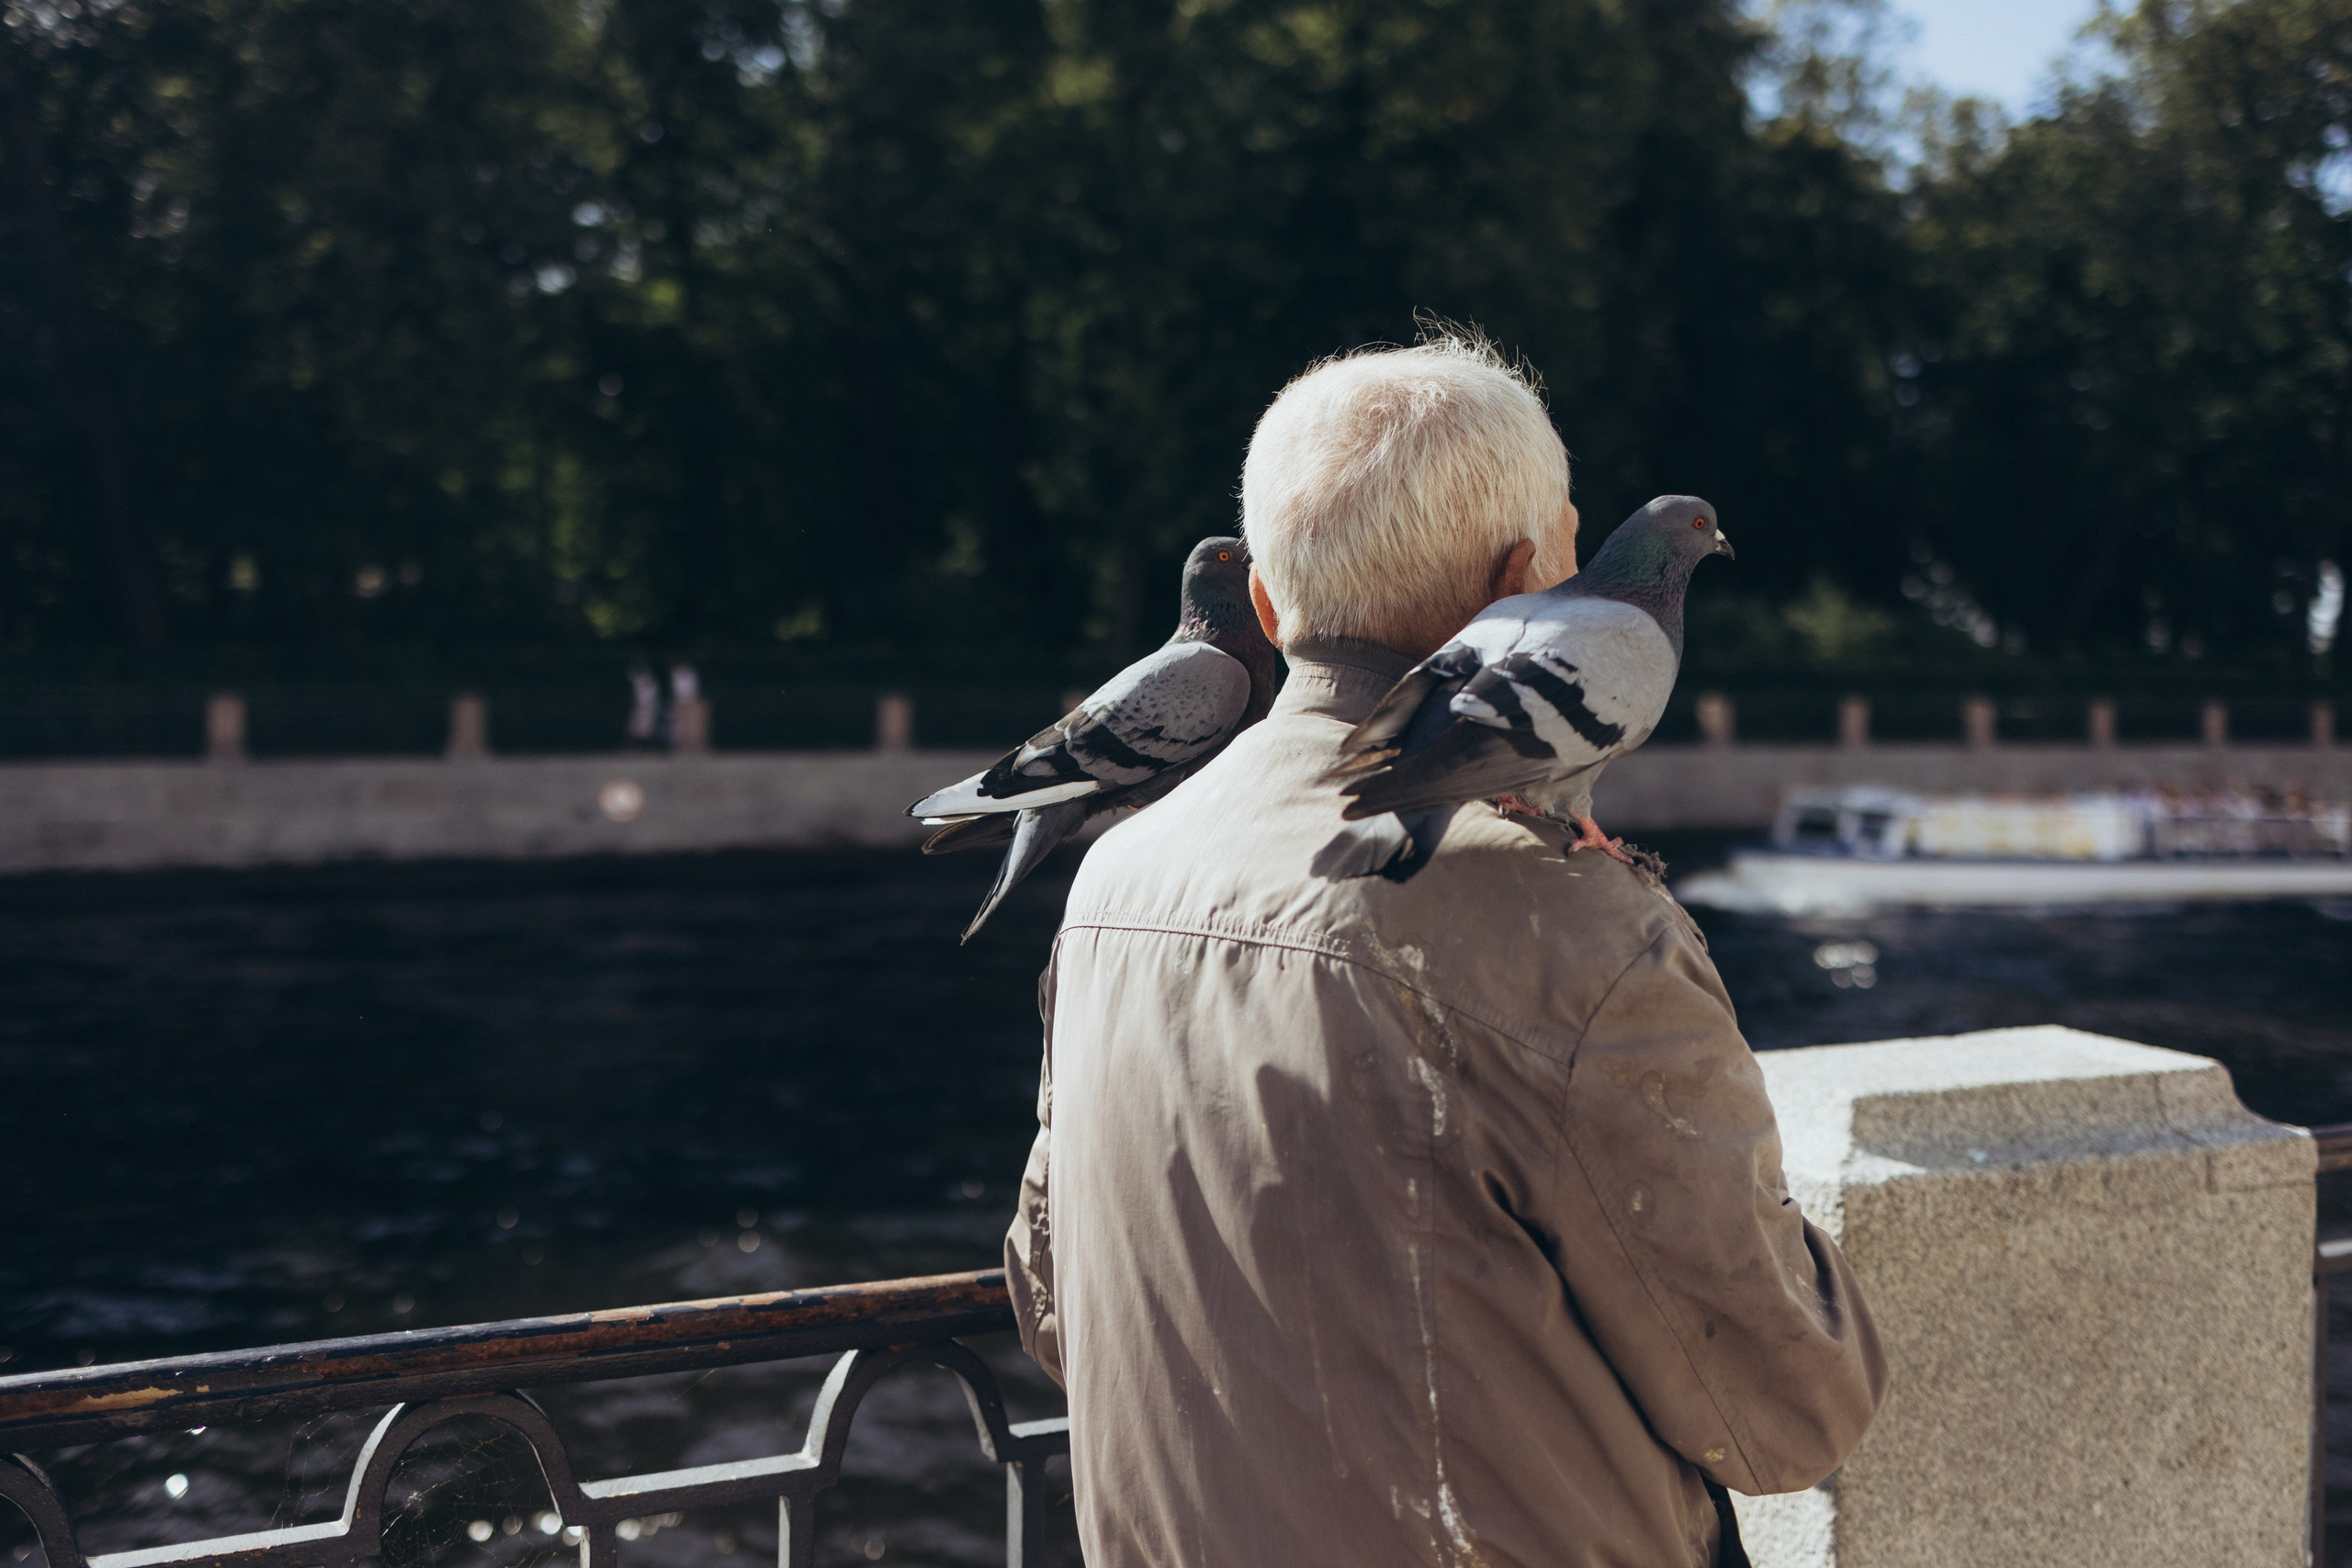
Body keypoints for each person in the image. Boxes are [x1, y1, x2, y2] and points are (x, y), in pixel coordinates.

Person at [1004, 333, 1887, 1568]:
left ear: (1267, 608)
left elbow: (1051, 1303)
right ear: (1527, 577)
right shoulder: (1570, 925)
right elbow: (1787, 1413)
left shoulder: (1117, 873)